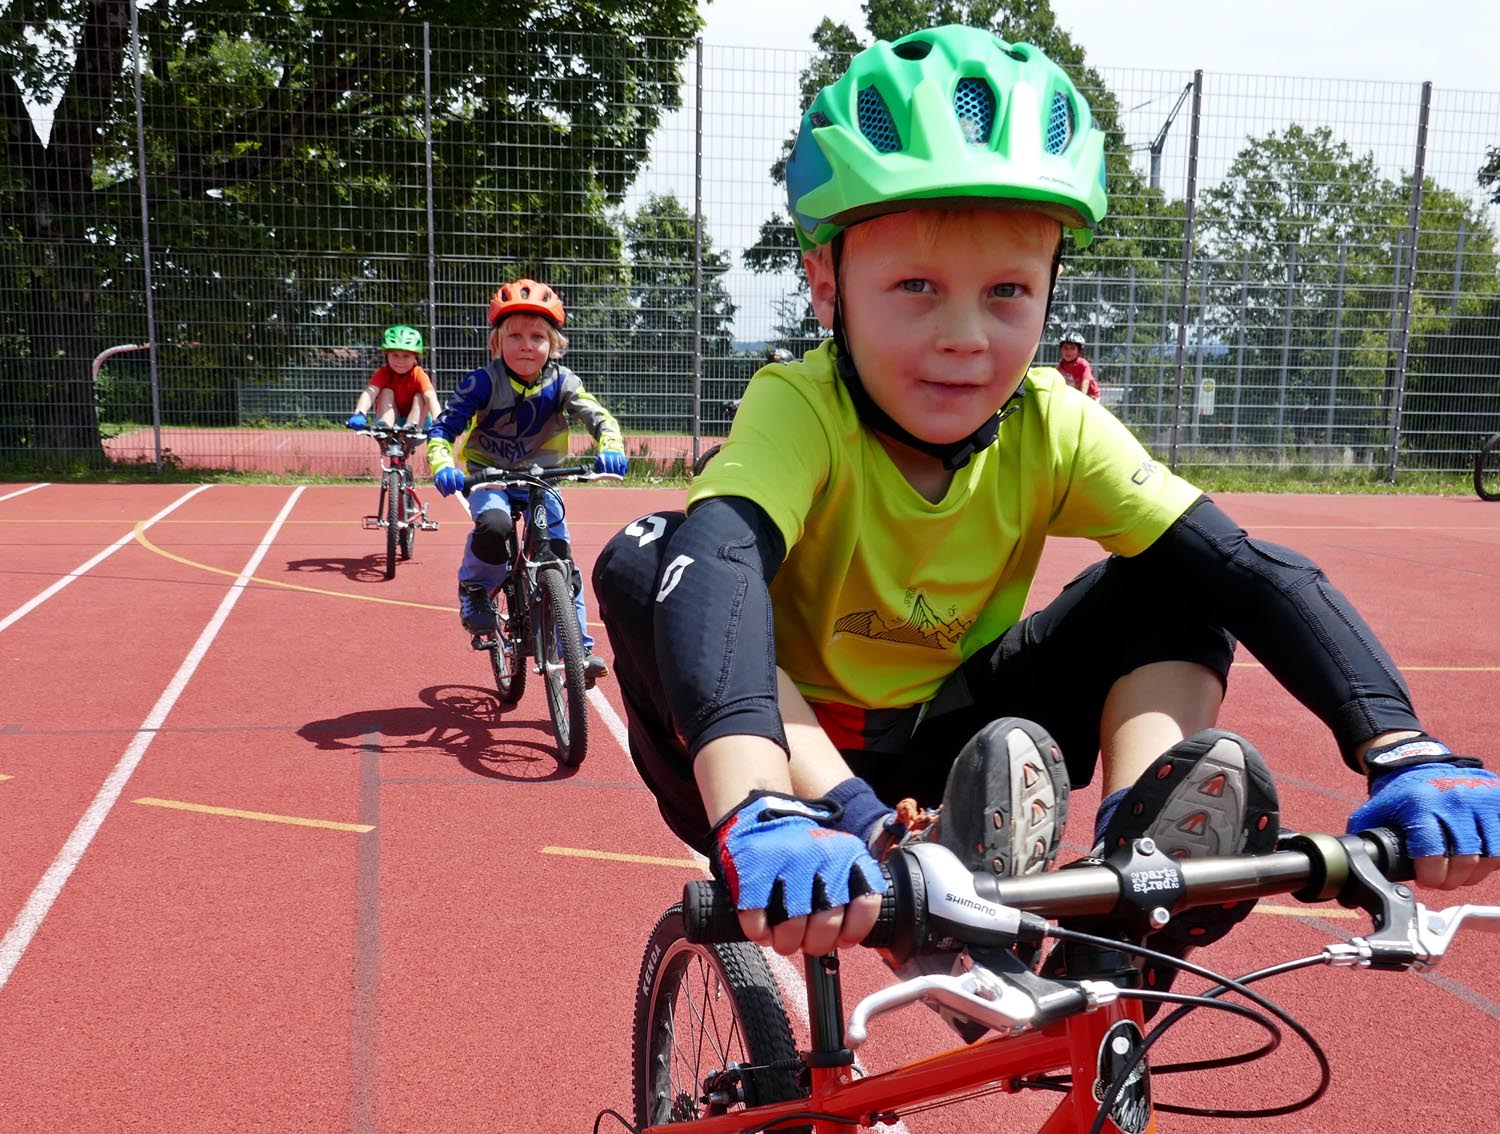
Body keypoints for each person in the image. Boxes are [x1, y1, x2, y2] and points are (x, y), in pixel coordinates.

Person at [592, 24, 1500, 977]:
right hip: (776, 753)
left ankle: (1139, 866)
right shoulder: (800, 407)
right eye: (915, 286)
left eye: (1008, 292)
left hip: (952, 745)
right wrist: (763, 800)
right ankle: (830, 826)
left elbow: (1246, 571)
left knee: (1179, 571)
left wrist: (1401, 745)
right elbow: (723, 564)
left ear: (1050, 290)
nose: (965, 337)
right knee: (660, 554)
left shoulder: (1051, 421)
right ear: (827, 284)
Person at [426, 279, 628, 687]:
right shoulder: (482, 381)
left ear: (553, 344)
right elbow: (443, 430)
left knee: (560, 557)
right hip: (491, 475)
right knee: (495, 527)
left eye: (537, 336)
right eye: (514, 335)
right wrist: (443, 463)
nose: (525, 345)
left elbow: (599, 417)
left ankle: (580, 649)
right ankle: (476, 589)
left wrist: (610, 444)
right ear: (497, 342)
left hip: (541, 477)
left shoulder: (563, 381)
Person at [347, 325, 442, 432]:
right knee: (386, 392)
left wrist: (439, 421)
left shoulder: (418, 374)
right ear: (387, 354)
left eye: (406, 356)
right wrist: (360, 412)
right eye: (395, 355)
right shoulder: (383, 372)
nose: (400, 361)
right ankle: (385, 427)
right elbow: (370, 393)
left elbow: (431, 397)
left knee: (420, 396)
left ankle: (411, 427)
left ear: (415, 357)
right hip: (392, 417)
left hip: (419, 422)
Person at [1056, 333, 1100, 399]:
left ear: (1079, 351)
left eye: (1072, 348)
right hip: (1075, 396)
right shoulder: (1061, 366)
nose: (1068, 351)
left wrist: (1081, 399)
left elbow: (1085, 383)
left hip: (1091, 395)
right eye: (1065, 348)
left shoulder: (1083, 364)